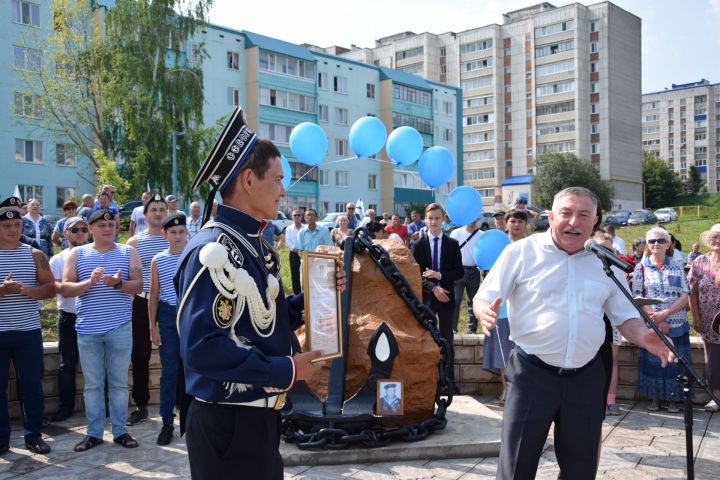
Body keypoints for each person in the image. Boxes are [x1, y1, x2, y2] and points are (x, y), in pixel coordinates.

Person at [175, 107, 345, 479]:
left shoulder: (258, 245)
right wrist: (286, 369)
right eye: (279, 179)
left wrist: (318, 295)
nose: (284, 191)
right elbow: (202, 348)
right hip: (227, 423)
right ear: (249, 180)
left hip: (259, 419)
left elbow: (261, 318)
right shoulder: (213, 253)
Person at [474, 186, 673, 479]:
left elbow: (625, 315)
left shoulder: (606, 262)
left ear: (594, 221)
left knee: (581, 469)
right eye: (566, 213)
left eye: (583, 215)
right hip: (532, 375)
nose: (573, 222)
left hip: (586, 378)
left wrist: (644, 336)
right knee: (517, 466)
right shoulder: (520, 252)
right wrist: (482, 311)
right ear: (551, 216)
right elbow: (483, 295)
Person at [62, 209, 143, 451]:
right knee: (93, 384)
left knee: (118, 383)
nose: (108, 229)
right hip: (88, 329)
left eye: (112, 225)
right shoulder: (77, 254)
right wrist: (90, 282)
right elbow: (66, 289)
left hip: (119, 327)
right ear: (91, 228)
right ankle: (94, 433)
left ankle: (120, 431)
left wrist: (117, 283)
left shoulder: (128, 251)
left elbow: (138, 285)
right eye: (102, 225)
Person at [0, 196, 55, 455]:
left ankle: (33, 435)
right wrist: (3, 290)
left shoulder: (35, 254)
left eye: (17, 225)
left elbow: (50, 289)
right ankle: (1, 439)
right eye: (6, 226)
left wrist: (28, 291)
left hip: (28, 332)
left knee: (32, 386)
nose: (13, 230)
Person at [632, 226, 691, 413]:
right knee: (654, 362)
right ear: (647, 245)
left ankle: (674, 399)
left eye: (661, 240)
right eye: (652, 241)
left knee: (675, 363)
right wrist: (656, 318)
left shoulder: (676, 265)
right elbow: (637, 296)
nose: (656, 244)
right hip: (652, 325)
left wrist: (665, 314)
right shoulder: (640, 267)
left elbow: (685, 295)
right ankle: (655, 398)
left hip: (677, 323)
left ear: (668, 244)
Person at [126, 194, 169, 426]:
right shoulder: (134, 243)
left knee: (176, 353)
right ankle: (141, 405)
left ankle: (179, 401)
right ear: (145, 215)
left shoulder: (175, 238)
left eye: (163, 209)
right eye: (154, 209)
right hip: (142, 302)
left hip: (170, 303)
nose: (159, 213)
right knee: (140, 352)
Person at [412, 203, 463, 387]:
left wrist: (440, 276)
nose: (433, 222)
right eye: (430, 218)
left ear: (443, 219)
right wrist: (434, 287)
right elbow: (416, 275)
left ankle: (448, 381)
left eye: (437, 218)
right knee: (427, 339)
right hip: (428, 300)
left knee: (447, 339)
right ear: (425, 220)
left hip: (447, 299)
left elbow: (459, 272)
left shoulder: (452, 244)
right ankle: (428, 380)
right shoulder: (418, 245)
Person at [148, 213, 188, 445]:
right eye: (173, 232)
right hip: (168, 315)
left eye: (181, 232)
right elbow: (153, 295)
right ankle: (166, 422)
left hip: (190, 315)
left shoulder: (194, 255)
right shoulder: (158, 260)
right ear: (164, 234)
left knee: (194, 368)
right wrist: (151, 327)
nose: (178, 236)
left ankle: (192, 419)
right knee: (169, 371)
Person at [483, 210, 527, 406]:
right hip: (501, 309)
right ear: (506, 223)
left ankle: (522, 390)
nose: (516, 224)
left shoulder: (531, 247)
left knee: (524, 352)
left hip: (525, 308)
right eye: (513, 221)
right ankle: (506, 390)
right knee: (503, 352)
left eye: (520, 221)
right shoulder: (496, 245)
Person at [47, 216, 89, 423]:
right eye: (75, 229)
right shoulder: (57, 260)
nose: (80, 232)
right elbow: (57, 288)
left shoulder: (97, 255)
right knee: (67, 365)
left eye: (83, 229)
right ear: (65, 233)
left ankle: (105, 405)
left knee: (100, 364)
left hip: (93, 315)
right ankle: (66, 407)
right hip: (69, 317)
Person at [688, 224, 720, 412]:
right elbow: (692, 291)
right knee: (713, 360)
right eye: (715, 237)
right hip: (709, 321)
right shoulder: (700, 262)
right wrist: (696, 316)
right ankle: (716, 397)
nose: (718, 241)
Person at [593, 232, 624, 416]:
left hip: (613, 325)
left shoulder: (615, 270)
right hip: (591, 327)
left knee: (611, 361)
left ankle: (610, 400)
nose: (606, 253)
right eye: (602, 249)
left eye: (610, 250)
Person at [450, 218, 482, 334]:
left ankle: (471, 329)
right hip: (459, 270)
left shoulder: (481, 235)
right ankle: (452, 329)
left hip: (474, 271)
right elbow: (450, 252)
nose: (472, 220)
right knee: (456, 299)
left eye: (475, 218)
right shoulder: (456, 233)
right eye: (470, 217)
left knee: (473, 301)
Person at [283, 209, 304, 295]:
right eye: (295, 215)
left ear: (301, 217)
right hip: (294, 254)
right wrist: (297, 250)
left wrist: (303, 251)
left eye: (298, 215)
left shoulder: (305, 228)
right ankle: (297, 294)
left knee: (306, 273)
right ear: (292, 217)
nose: (297, 217)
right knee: (295, 274)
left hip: (305, 254)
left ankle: (306, 293)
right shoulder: (289, 228)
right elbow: (288, 242)